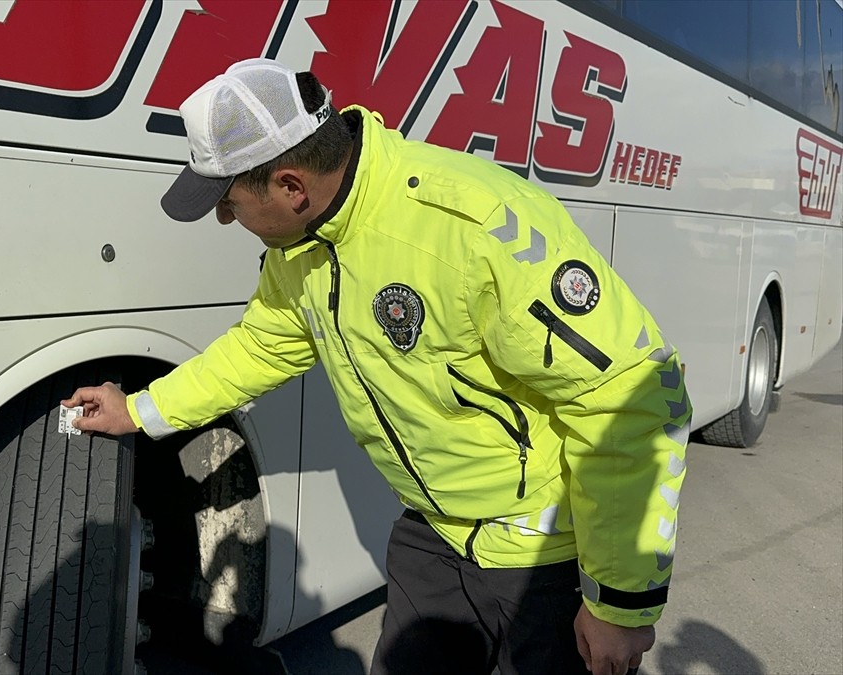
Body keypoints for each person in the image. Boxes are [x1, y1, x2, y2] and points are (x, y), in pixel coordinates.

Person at [62, 58, 689, 675]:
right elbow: (260, 347)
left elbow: (631, 393)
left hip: (542, 556)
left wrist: (620, 603)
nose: (228, 220)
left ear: (290, 186)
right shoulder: (301, 247)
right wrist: (140, 410)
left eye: (229, 203)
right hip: (432, 537)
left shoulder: (471, 227)